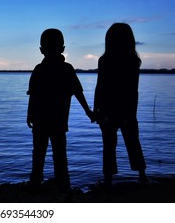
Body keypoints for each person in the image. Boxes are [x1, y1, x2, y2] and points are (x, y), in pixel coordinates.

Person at [27, 28, 94, 192]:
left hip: (41, 120)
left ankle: (37, 182)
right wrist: (88, 111)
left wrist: (30, 114)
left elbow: (33, 96)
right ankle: (62, 183)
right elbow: (78, 93)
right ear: (63, 49)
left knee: (39, 153)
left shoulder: (39, 69)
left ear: (41, 50)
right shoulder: (66, 69)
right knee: (59, 154)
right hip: (57, 121)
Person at [94, 23, 148, 187]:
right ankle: (141, 176)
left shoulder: (109, 60)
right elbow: (133, 90)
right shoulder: (132, 60)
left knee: (110, 145)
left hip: (111, 110)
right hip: (122, 110)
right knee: (131, 143)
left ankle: (109, 179)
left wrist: (96, 109)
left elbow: (101, 86)